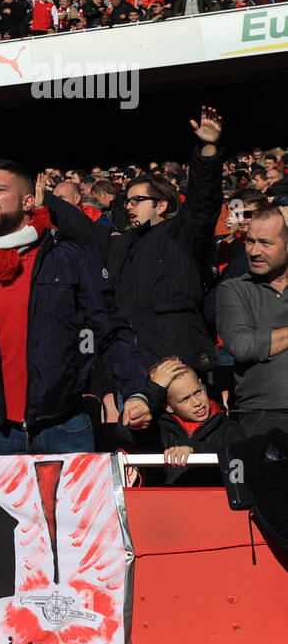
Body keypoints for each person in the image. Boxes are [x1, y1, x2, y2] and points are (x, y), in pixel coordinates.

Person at [0, 160, 155, 455]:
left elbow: (111, 330)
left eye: (0, 189)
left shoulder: (69, 258)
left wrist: (135, 392)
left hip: (65, 429)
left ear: (29, 201)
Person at [42, 109, 225, 375]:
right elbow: (83, 228)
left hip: (180, 365)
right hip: (134, 370)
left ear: (161, 205)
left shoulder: (183, 235)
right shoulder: (121, 241)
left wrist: (208, 149)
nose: (129, 206)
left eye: (138, 200)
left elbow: (204, 201)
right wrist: (47, 200)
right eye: (128, 200)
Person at [216, 206, 288, 434]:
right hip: (261, 416)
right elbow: (242, 346)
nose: (254, 251)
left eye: (265, 243)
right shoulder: (234, 289)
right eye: (249, 241)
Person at [148, 356, 245, 485]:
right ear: (168, 407)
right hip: (170, 502)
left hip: (214, 500)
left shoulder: (226, 426)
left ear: (201, 384)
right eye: (185, 399)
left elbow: (241, 453)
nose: (197, 402)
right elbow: (126, 432)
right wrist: (154, 390)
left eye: (198, 392)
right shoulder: (159, 427)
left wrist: (194, 449)